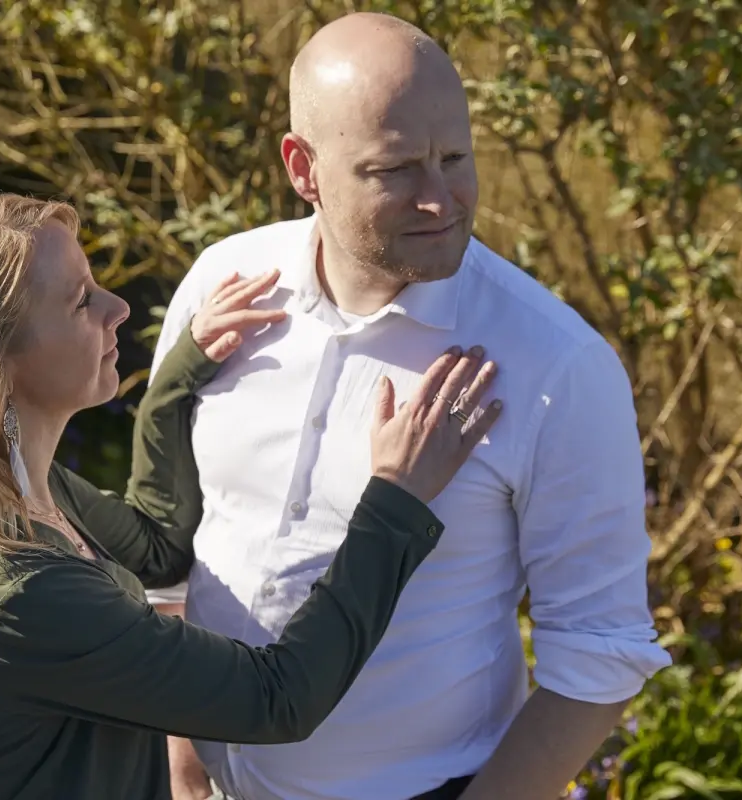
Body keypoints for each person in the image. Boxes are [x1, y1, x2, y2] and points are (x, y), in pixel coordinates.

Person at [0, 191, 504, 800]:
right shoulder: (13, 591)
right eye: (81, 301)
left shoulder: (16, 491)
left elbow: (156, 546)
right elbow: (278, 697)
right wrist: (395, 498)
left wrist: (180, 376)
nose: (118, 308)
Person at [146, 12, 673, 800]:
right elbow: (173, 539)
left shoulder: (557, 365)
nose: (440, 200)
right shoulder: (223, 283)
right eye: (395, 170)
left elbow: (601, 654)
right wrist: (184, 764)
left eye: (454, 158)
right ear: (303, 167)